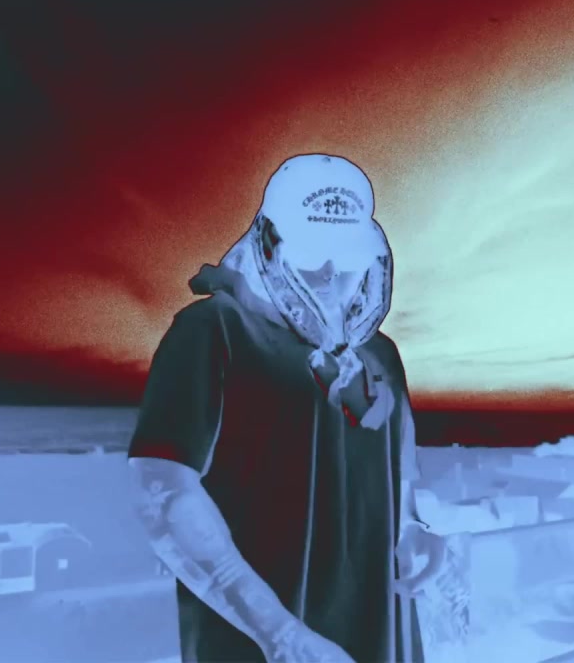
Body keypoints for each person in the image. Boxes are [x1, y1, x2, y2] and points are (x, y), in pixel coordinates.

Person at [127, 153, 447, 662]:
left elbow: (399, 471)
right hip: (256, 645)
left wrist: (414, 528)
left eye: (346, 255)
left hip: (379, 634)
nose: (330, 272)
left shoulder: (379, 352)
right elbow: (163, 494)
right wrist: (280, 635)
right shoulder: (213, 331)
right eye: (311, 252)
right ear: (269, 243)